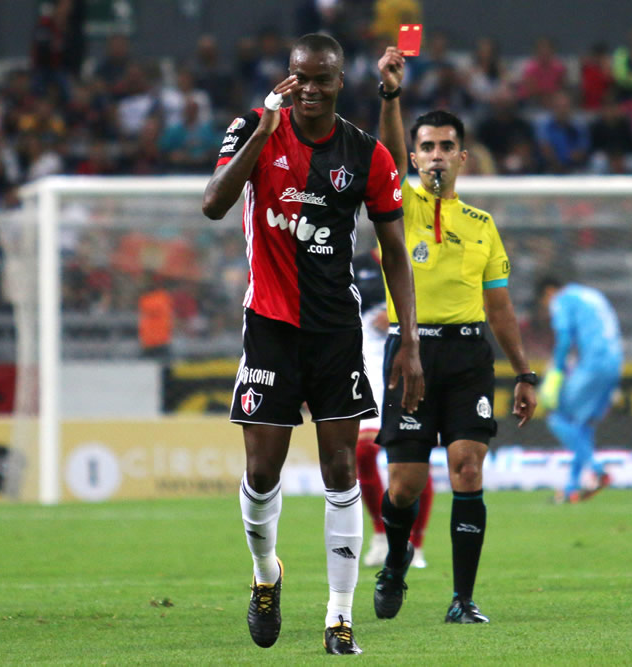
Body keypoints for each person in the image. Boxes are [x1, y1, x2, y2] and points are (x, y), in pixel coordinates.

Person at [202, 33, 424, 655]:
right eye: (303, 77)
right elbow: (215, 204)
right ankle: (266, 574)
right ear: (289, 77)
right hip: (269, 325)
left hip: (334, 332)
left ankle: (338, 615)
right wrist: (264, 127)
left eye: (324, 79)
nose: (312, 88)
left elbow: (396, 254)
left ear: (339, 82)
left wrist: (409, 340)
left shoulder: (366, 154)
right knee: (261, 471)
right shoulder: (253, 126)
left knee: (339, 468)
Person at [373, 46, 538, 625]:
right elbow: (387, 158)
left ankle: (463, 599)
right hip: (411, 354)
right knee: (405, 486)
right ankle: (395, 563)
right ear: (414, 156)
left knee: (468, 465)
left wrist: (523, 372)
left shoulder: (482, 226)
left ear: (462, 157)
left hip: (469, 354)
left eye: (446, 147)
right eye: (427, 147)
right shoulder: (400, 206)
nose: (436, 155)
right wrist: (391, 93)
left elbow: (500, 309)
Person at [352, 249, 434, 570]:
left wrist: (401, 312)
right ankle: (380, 534)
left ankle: (416, 542)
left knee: (415, 454)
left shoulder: (423, 257)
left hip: (414, 355)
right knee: (362, 452)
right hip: (367, 358)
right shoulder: (357, 264)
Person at [535, 276, 622, 503]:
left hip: (593, 363)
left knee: (557, 415)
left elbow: (564, 337)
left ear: (548, 291)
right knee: (582, 425)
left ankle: (597, 469)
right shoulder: (592, 295)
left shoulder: (561, 299)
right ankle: (572, 487)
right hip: (614, 362)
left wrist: (556, 372)